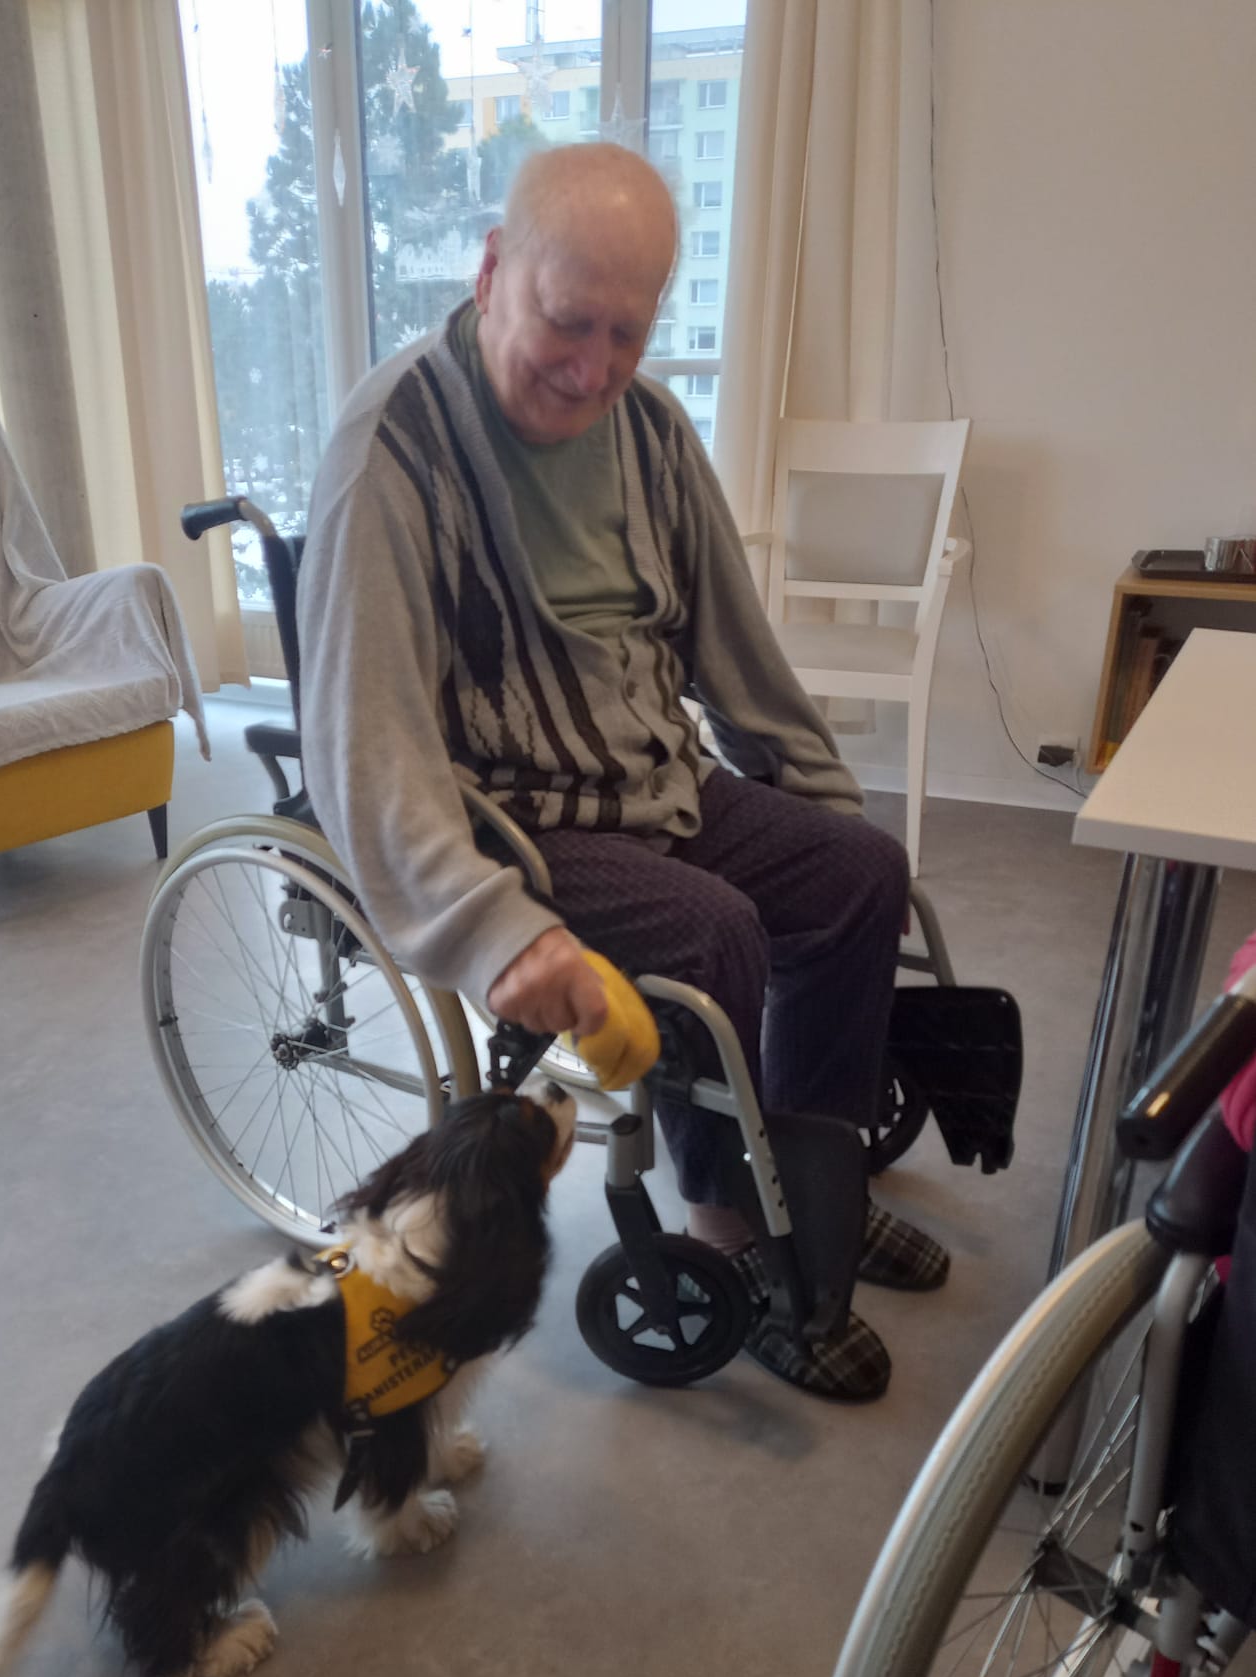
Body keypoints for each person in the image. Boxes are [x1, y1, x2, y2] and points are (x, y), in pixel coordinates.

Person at [298, 143, 945, 1403]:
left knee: (862, 871)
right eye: (566, 322)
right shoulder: (393, 450)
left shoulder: (648, 429)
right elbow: (366, 739)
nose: (593, 370)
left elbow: (733, 644)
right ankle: (732, 1229)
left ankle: (814, 1181)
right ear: (493, 271)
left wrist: (809, 787)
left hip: (657, 775)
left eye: (626, 335)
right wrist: (490, 927)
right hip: (518, 819)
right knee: (715, 930)